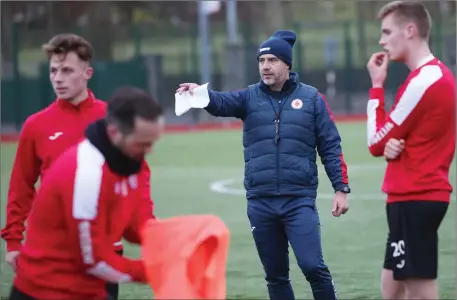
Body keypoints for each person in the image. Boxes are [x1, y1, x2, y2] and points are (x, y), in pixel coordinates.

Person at [177, 30, 350, 300]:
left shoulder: (312, 99)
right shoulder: (249, 97)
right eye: (261, 61)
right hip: (261, 203)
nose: (265, 66)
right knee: (276, 276)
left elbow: (330, 146)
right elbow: (220, 102)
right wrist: (198, 94)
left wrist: (341, 188)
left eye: (272, 60)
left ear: (287, 64)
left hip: (298, 201)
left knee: (313, 266)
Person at [0, 33, 154, 300]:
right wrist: (13, 240)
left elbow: (137, 183)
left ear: (87, 73)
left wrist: (149, 232)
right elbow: (21, 187)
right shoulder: (36, 125)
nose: (58, 78)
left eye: (67, 70)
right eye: (53, 70)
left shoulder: (112, 121)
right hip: (51, 255)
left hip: (104, 252)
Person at [365, 1, 456, 299]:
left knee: (420, 291)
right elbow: (393, 139)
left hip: (417, 197)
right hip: (409, 197)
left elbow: (376, 142)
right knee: (391, 289)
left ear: (410, 31)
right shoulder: (428, 77)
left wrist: (376, 86)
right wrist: (394, 144)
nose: (381, 40)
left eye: (387, 32)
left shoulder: (424, 80)